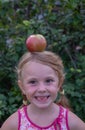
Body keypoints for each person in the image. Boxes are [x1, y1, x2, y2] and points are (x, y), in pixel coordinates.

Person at [1, 51, 85, 130]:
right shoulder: (14, 124)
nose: (42, 89)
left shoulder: (70, 122)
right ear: (22, 87)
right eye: (33, 82)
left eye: (48, 81)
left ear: (59, 83)